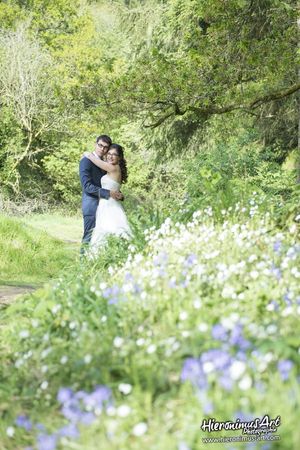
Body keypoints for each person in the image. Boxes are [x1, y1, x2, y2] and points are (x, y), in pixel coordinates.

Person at [82, 143, 132, 253]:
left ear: (119, 158)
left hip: (109, 205)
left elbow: (96, 161)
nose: (110, 156)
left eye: (114, 154)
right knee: (107, 230)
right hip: (107, 203)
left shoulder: (112, 167)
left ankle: (103, 256)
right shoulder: (114, 168)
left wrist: (88, 155)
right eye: (109, 153)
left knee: (108, 230)